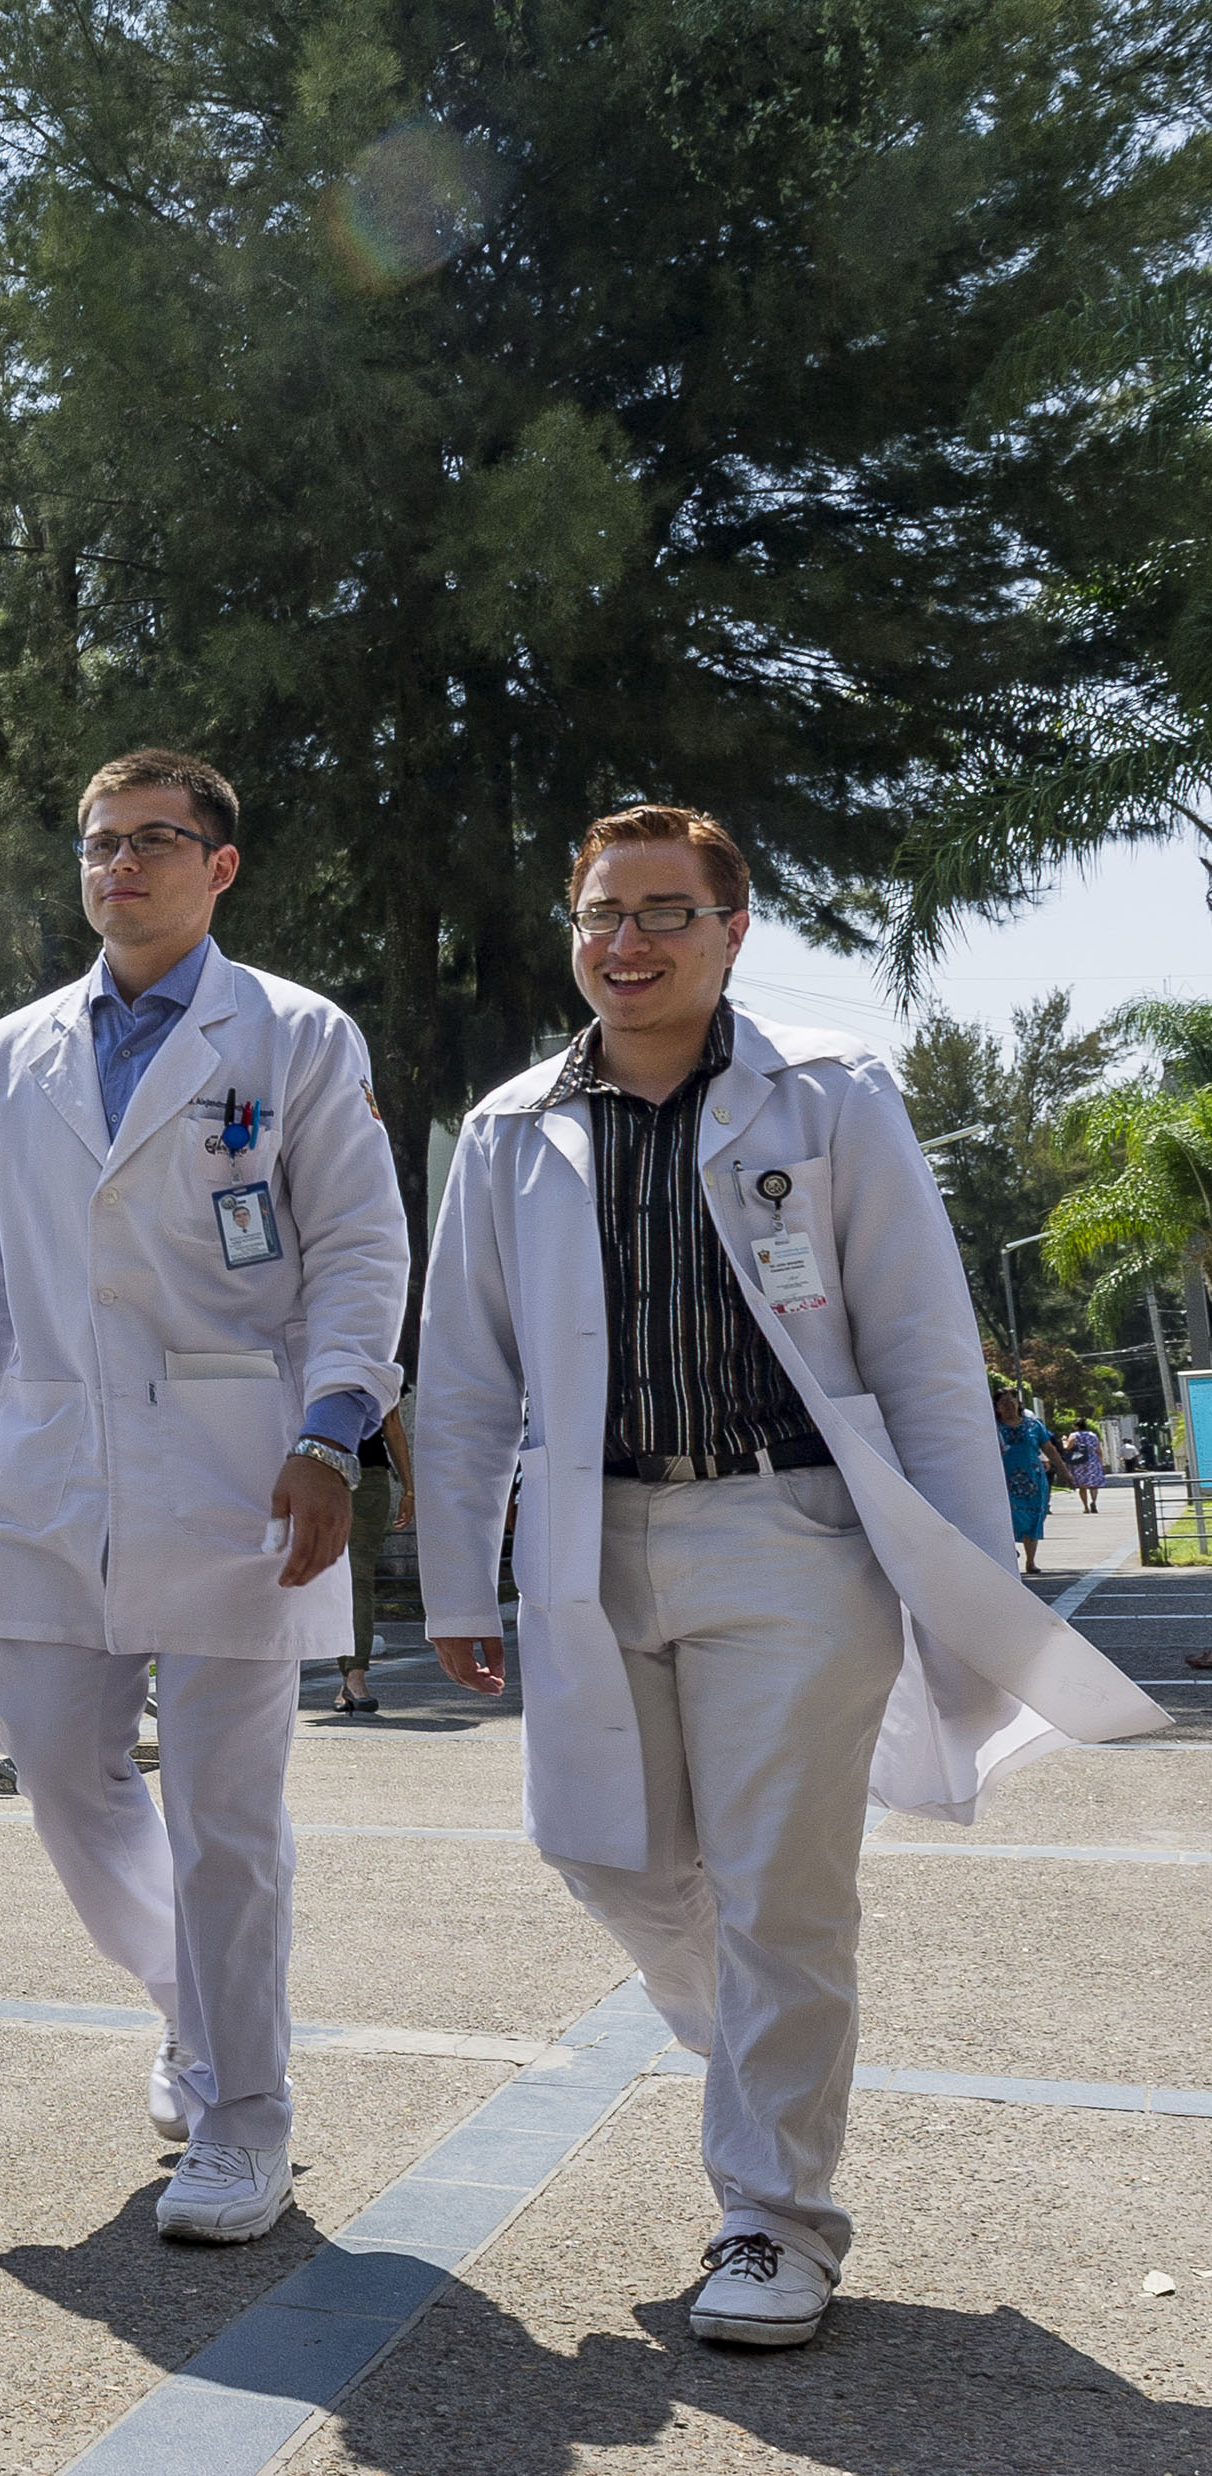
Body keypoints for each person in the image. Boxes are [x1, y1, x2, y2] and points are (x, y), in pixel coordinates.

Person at [417, 802, 1168, 2350]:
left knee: (778, 1884)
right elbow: (467, 1376)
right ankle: (763, 2047)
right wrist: (450, 1585)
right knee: (601, 1852)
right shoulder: (507, 1130)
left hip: (789, 1533)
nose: (625, 943)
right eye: (600, 913)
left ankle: (770, 2218)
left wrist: (965, 1582)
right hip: (585, 1542)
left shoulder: (825, 1094)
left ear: (730, 928)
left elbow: (915, 1342)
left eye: (662, 912)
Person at [0, 749, 409, 2245]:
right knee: (52, 1759)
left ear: (219, 865)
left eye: (151, 840)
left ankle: (243, 2117)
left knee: (225, 1813)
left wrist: (331, 1433)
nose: (117, 866)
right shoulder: (15, 1053)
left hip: (233, 1461)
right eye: (96, 843)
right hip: (51, 1457)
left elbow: (358, 1246)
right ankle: (195, 2007)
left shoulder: (294, 1034)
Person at [332, 1402, 417, 1716]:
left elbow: (392, 1423)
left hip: (367, 1478)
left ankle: (355, 1674)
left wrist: (409, 1490)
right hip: (317, 1473)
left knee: (357, 1579)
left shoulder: (381, 1371)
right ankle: (345, 1676)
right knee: (319, 1581)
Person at [995, 1387, 1072, 1575]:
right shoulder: (993, 1428)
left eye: (1011, 1401)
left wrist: (1065, 1472)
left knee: (1034, 1517)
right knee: (1009, 1516)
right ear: (996, 1407)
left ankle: (1031, 1561)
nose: (1008, 1406)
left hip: (1033, 1479)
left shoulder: (1033, 1426)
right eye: (1003, 1403)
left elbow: (1049, 1449)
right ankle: (1009, 1550)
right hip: (1005, 1480)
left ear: (1018, 1403)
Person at [1059, 1414, 1107, 1517]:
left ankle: (1085, 1506)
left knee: (1082, 1486)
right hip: (1093, 1461)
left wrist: (1064, 1440)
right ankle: (1094, 1502)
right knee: (1093, 1485)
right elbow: (1098, 1450)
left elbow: (1067, 1447)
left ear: (1076, 1426)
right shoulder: (1093, 1435)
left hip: (1079, 1461)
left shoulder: (1074, 1435)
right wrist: (1100, 1463)